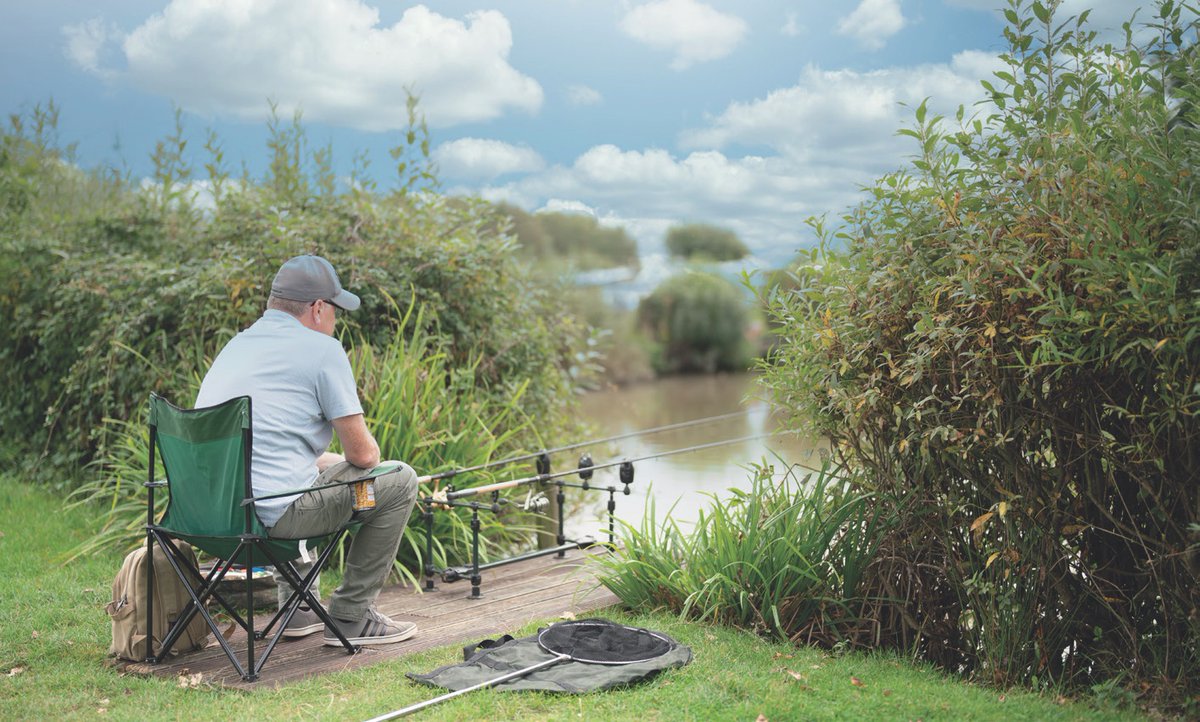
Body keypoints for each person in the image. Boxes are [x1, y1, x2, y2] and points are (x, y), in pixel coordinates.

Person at [195, 254, 419, 646]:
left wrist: (328, 466)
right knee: (400, 480)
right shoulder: (322, 351)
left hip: (212, 517)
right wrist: (359, 465)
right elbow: (365, 458)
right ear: (318, 309)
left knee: (305, 476)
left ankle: (296, 611)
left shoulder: (238, 345)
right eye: (334, 310)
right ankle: (352, 616)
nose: (335, 321)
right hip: (271, 521)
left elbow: (267, 450)